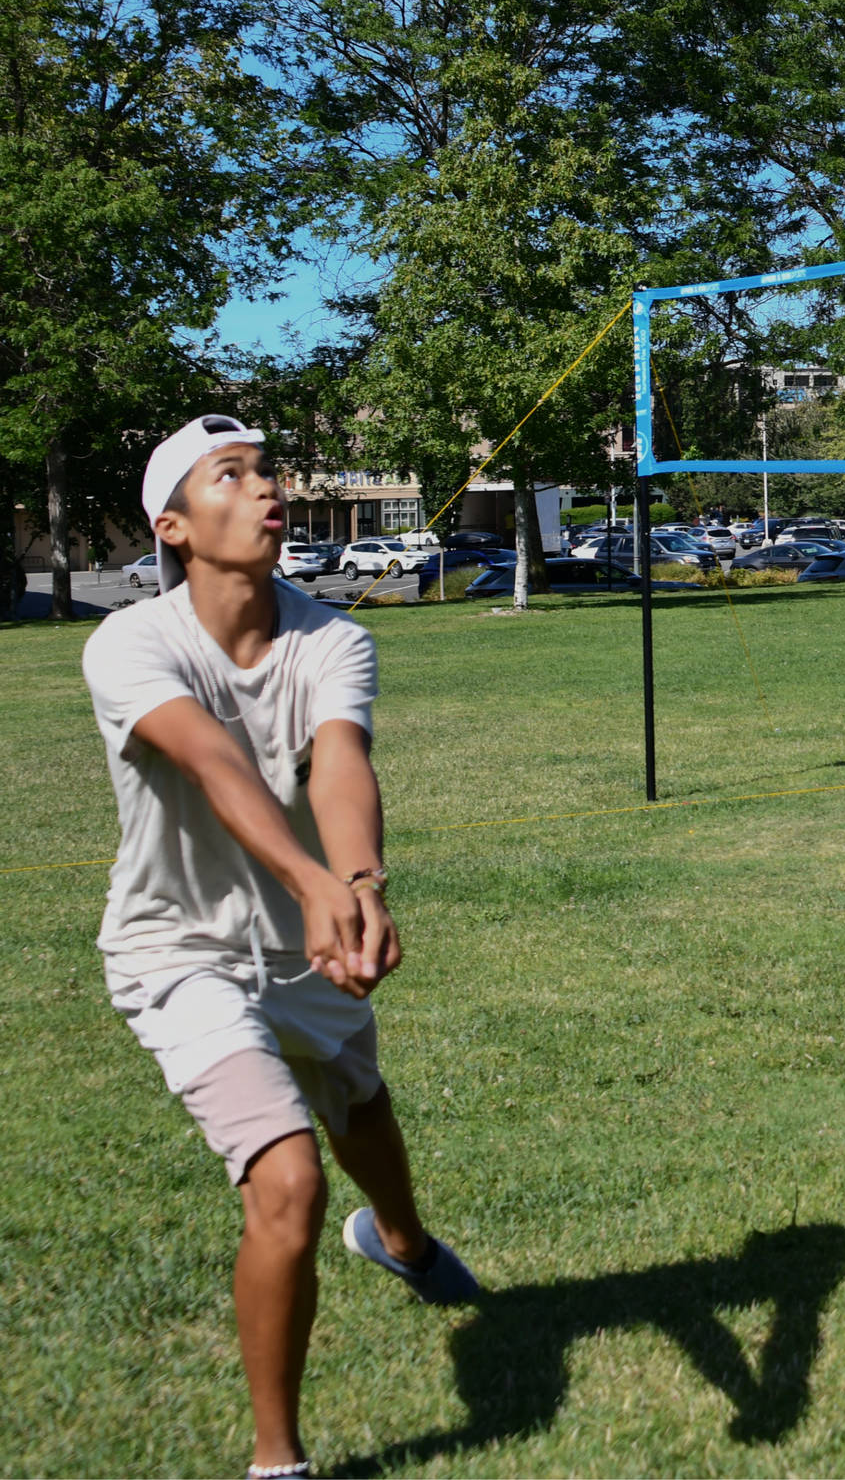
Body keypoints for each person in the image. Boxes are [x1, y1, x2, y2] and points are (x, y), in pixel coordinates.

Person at [82, 415, 477, 1480]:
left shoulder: (331, 638)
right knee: (289, 1181)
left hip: (303, 947)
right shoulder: (131, 642)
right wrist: (311, 882)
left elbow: (338, 761)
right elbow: (213, 760)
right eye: (234, 474)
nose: (270, 489)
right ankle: (277, 1460)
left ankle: (400, 1241)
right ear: (174, 524)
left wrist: (358, 883)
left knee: (362, 1106)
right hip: (179, 953)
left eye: (269, 471)